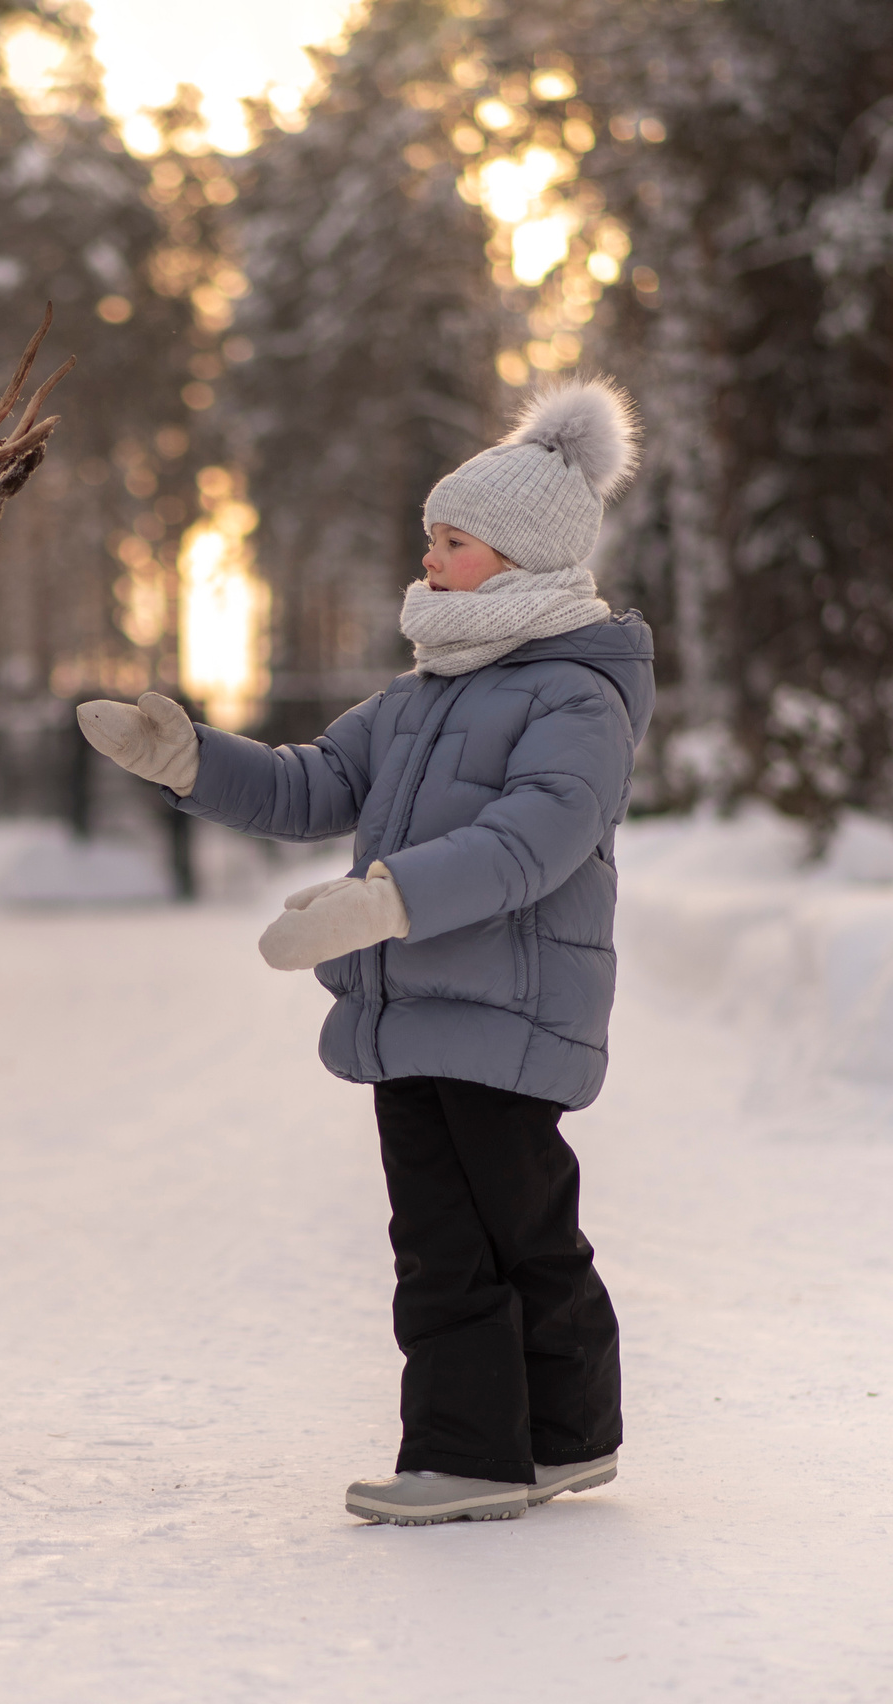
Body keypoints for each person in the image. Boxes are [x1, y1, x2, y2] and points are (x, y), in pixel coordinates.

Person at [77, 378, 655, 1525]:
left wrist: (387, 901)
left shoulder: (575, 697)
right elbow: (314, 784)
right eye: (429, 537)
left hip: (508, 1004)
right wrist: (191, 762)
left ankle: (475, 1455)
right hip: (416, 1008)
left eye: (453, 542)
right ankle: (555, 1437)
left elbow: (534, 839)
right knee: (457, 1232)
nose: (428, 558)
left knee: (500, 1232)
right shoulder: (419, 694)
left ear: (523, 557)